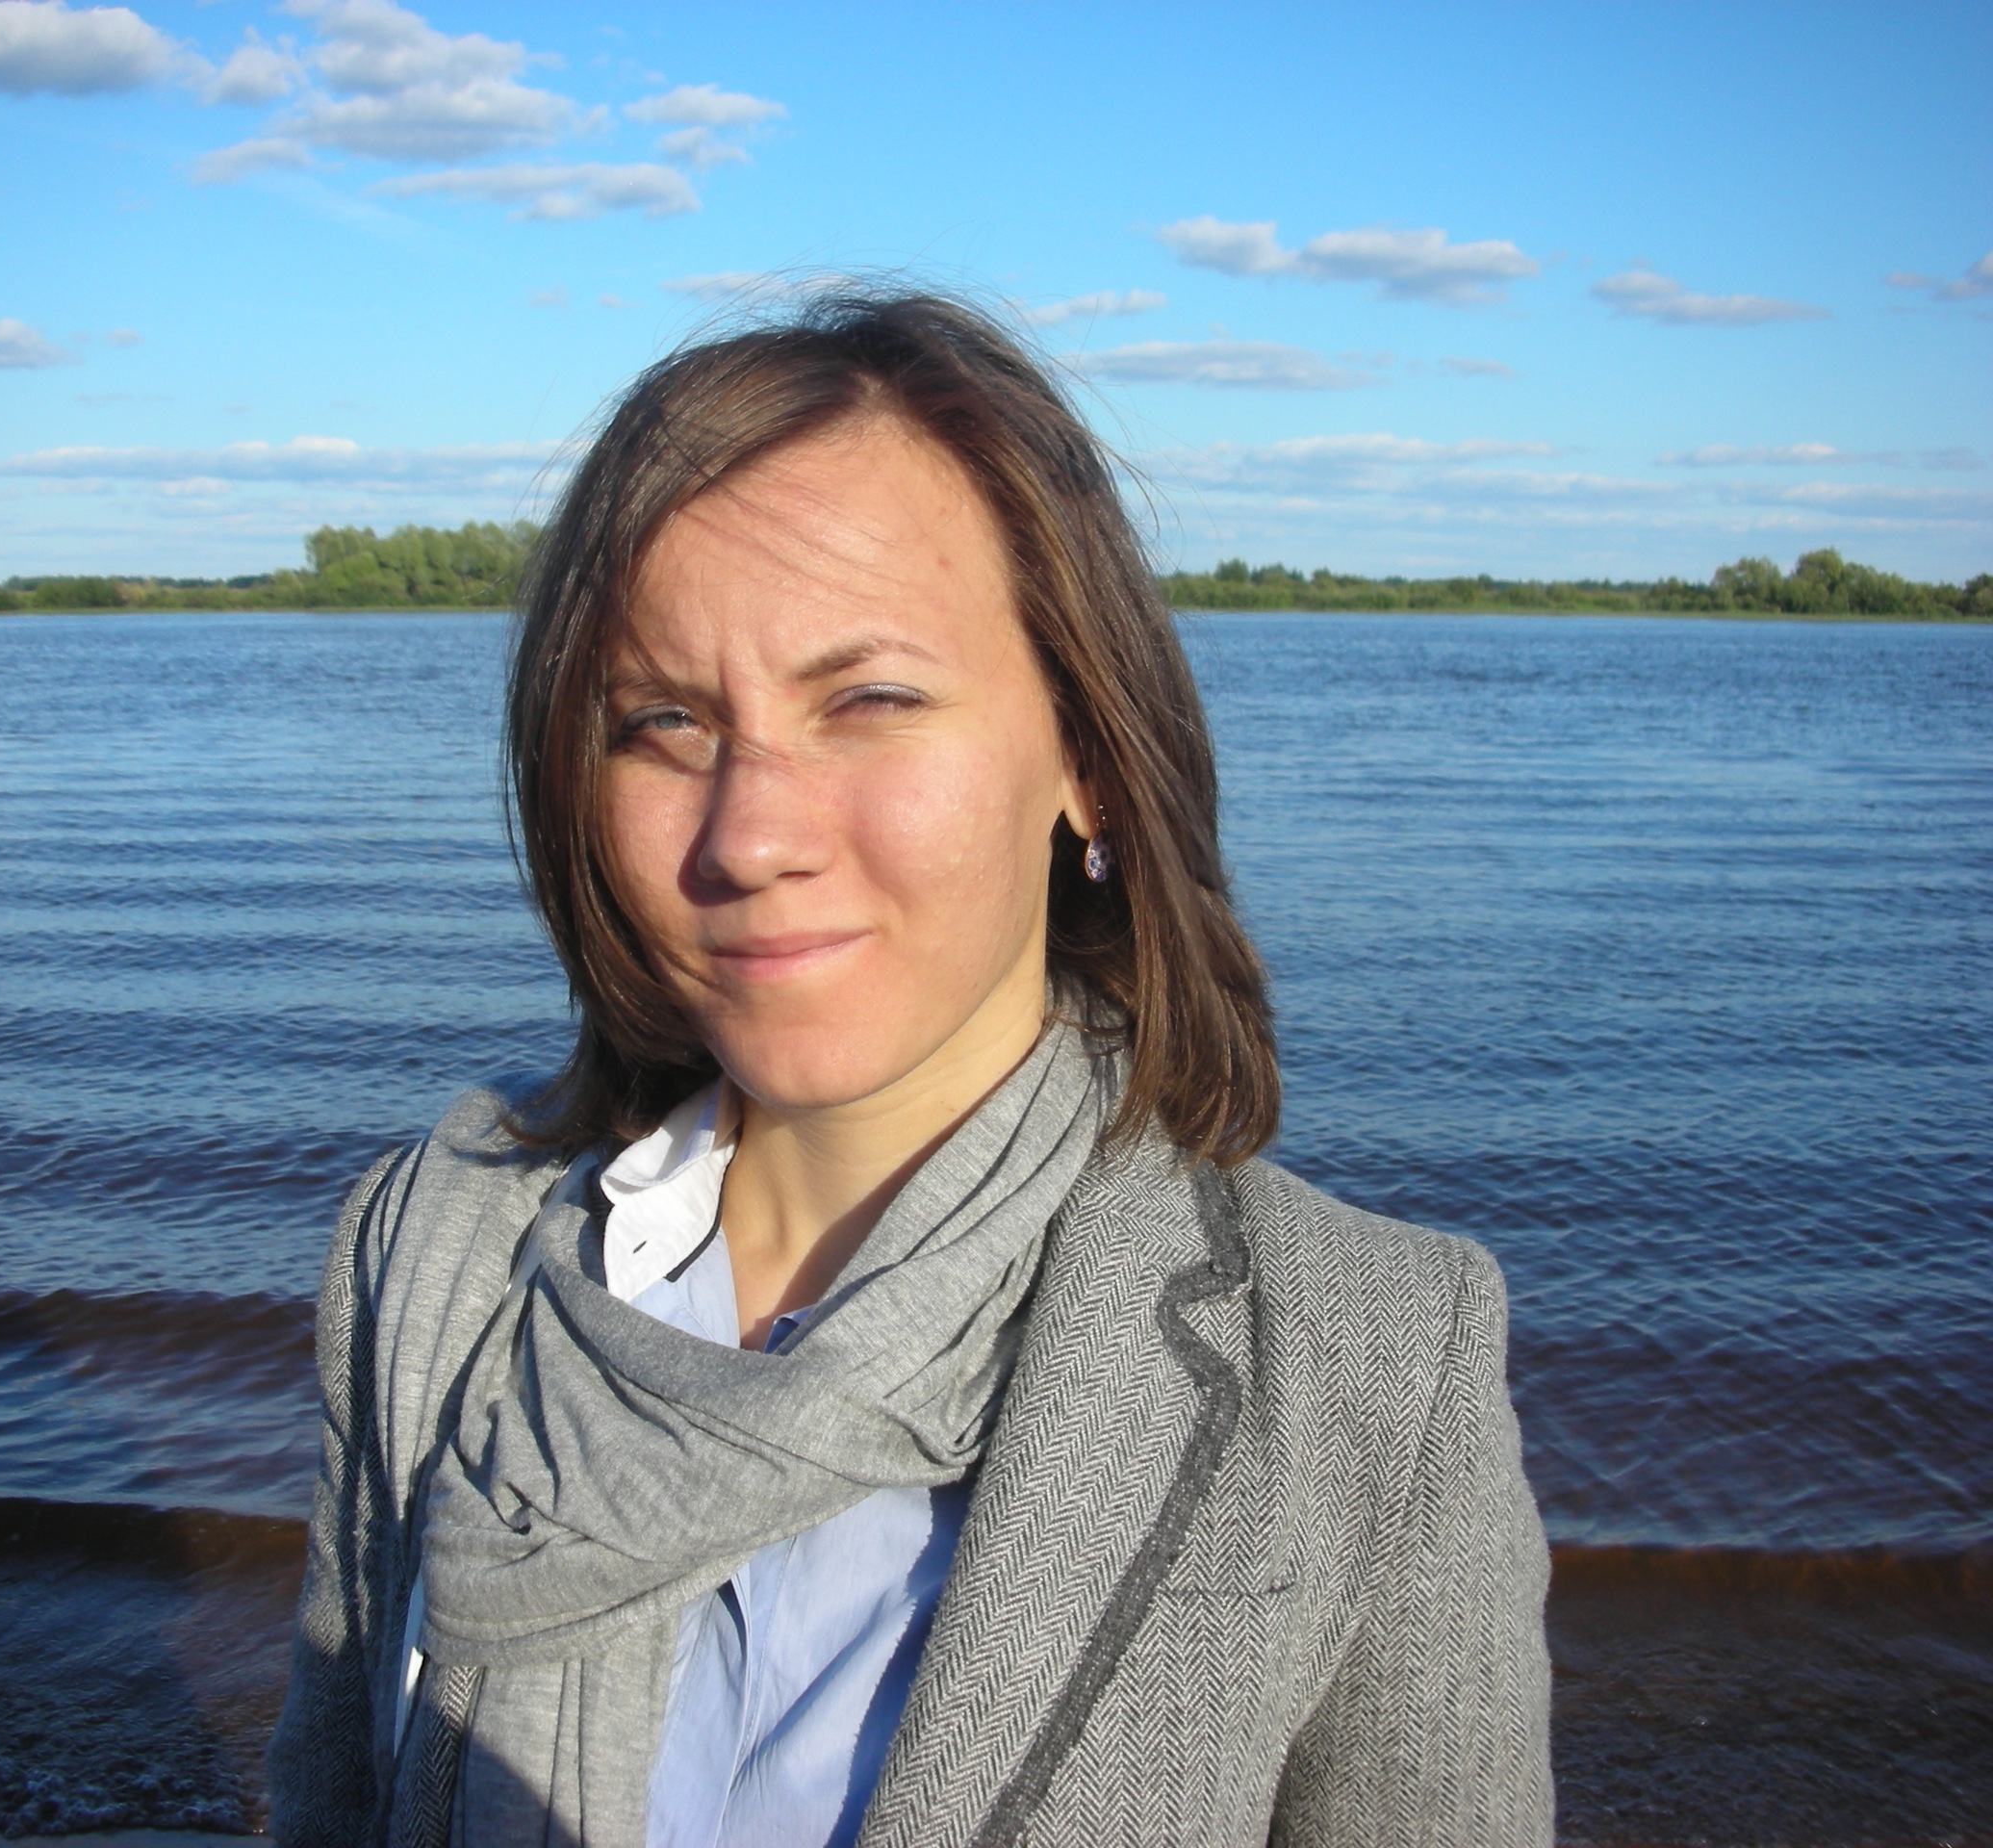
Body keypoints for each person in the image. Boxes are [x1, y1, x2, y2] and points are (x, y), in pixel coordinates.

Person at [267, 292, 1552, 1848]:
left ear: (1087, 755)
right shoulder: (432, 1253)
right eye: (663, 720)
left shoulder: (1372, 1369)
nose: (750, 835)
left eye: (867, 700)